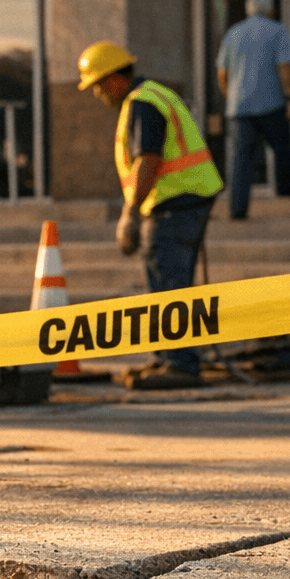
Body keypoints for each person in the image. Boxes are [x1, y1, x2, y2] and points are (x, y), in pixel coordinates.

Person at [77, 40, 224, 391]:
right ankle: (167, 357)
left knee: (169, 281)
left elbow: (148, 159)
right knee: (165, 279)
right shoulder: (153, 95)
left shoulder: (142, 102)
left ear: (114, 79)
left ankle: (181, 364)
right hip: (184, 198)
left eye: (97, 85)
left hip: (176, 200)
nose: (97, 93)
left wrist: (129, 213)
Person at [214, 0, 290, 220]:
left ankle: (238, 207)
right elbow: (285, 67)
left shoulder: (233, 33)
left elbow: (222, 73)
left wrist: (230, 96)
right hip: (271, 103)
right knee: (281, 147)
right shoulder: (277, 30)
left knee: (241, 158)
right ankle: (286, 187)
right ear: (270, 9)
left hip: (240, 106)